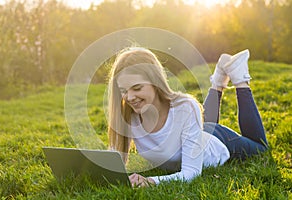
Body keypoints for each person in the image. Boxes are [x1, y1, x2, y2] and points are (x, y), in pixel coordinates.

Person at [107, 47, 268, 187]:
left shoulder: (185, 107)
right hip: (196, 133)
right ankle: (219, 77)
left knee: (261, 147)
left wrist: (150, 181)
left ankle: (240, 78)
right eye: (124, 90)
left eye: (137, 88)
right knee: (203, 122)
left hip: (220, 141)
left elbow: (191, 172)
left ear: (155, 82)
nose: (130, 97)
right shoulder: (127, 115)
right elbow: (113, 162)